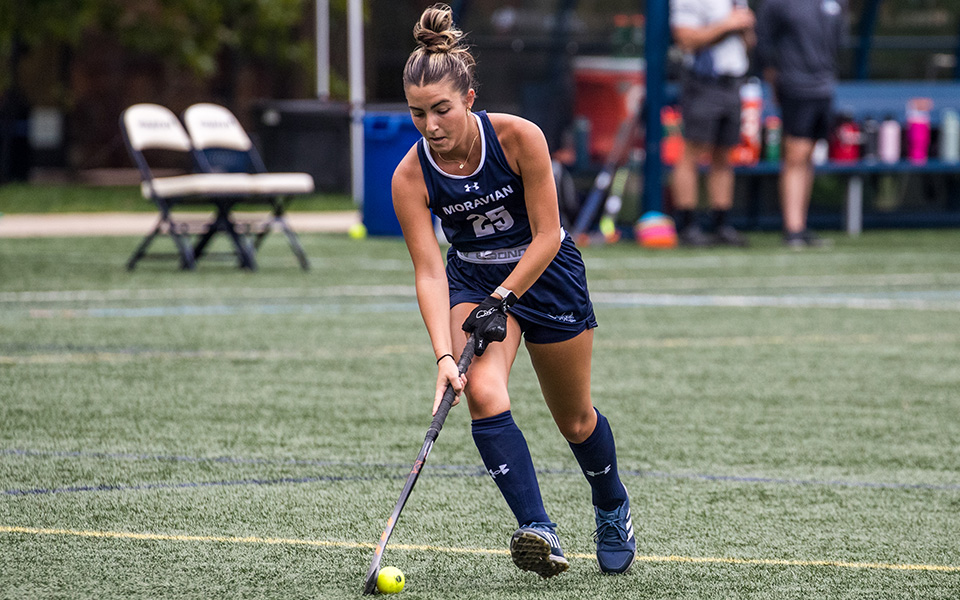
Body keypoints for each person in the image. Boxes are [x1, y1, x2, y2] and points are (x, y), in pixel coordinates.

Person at [391, 3, 636, 578]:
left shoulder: (520, 138)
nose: (431, 126)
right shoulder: (409, 176)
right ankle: (539, 529)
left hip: (544, 274)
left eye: (442, 110)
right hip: (473, 278)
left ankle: (610, 504)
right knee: (479, 389)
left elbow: (549, 235)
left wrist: (504, 299)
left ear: (469, 98)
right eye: (418, 113)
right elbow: (429, 272)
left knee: (574, 420)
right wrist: (445, 355)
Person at [756, 0, 847, 249]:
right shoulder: (779, 4)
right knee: (795, 154)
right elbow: (763, 43)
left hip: (825, 86)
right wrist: (775, 80)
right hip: (795, 86)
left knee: (808, 156)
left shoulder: (836, 3)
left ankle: (801, 225)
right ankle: (792, 228)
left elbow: (838, 41)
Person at [669, 0, 754, 247]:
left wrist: (745, 27)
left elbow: (749, 43)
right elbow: (685, 40)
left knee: (724, 154)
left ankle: (721, 223)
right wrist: (727, 24)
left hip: (734, 81)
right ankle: (687, 224)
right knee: (692, 152)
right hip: (704, 81)